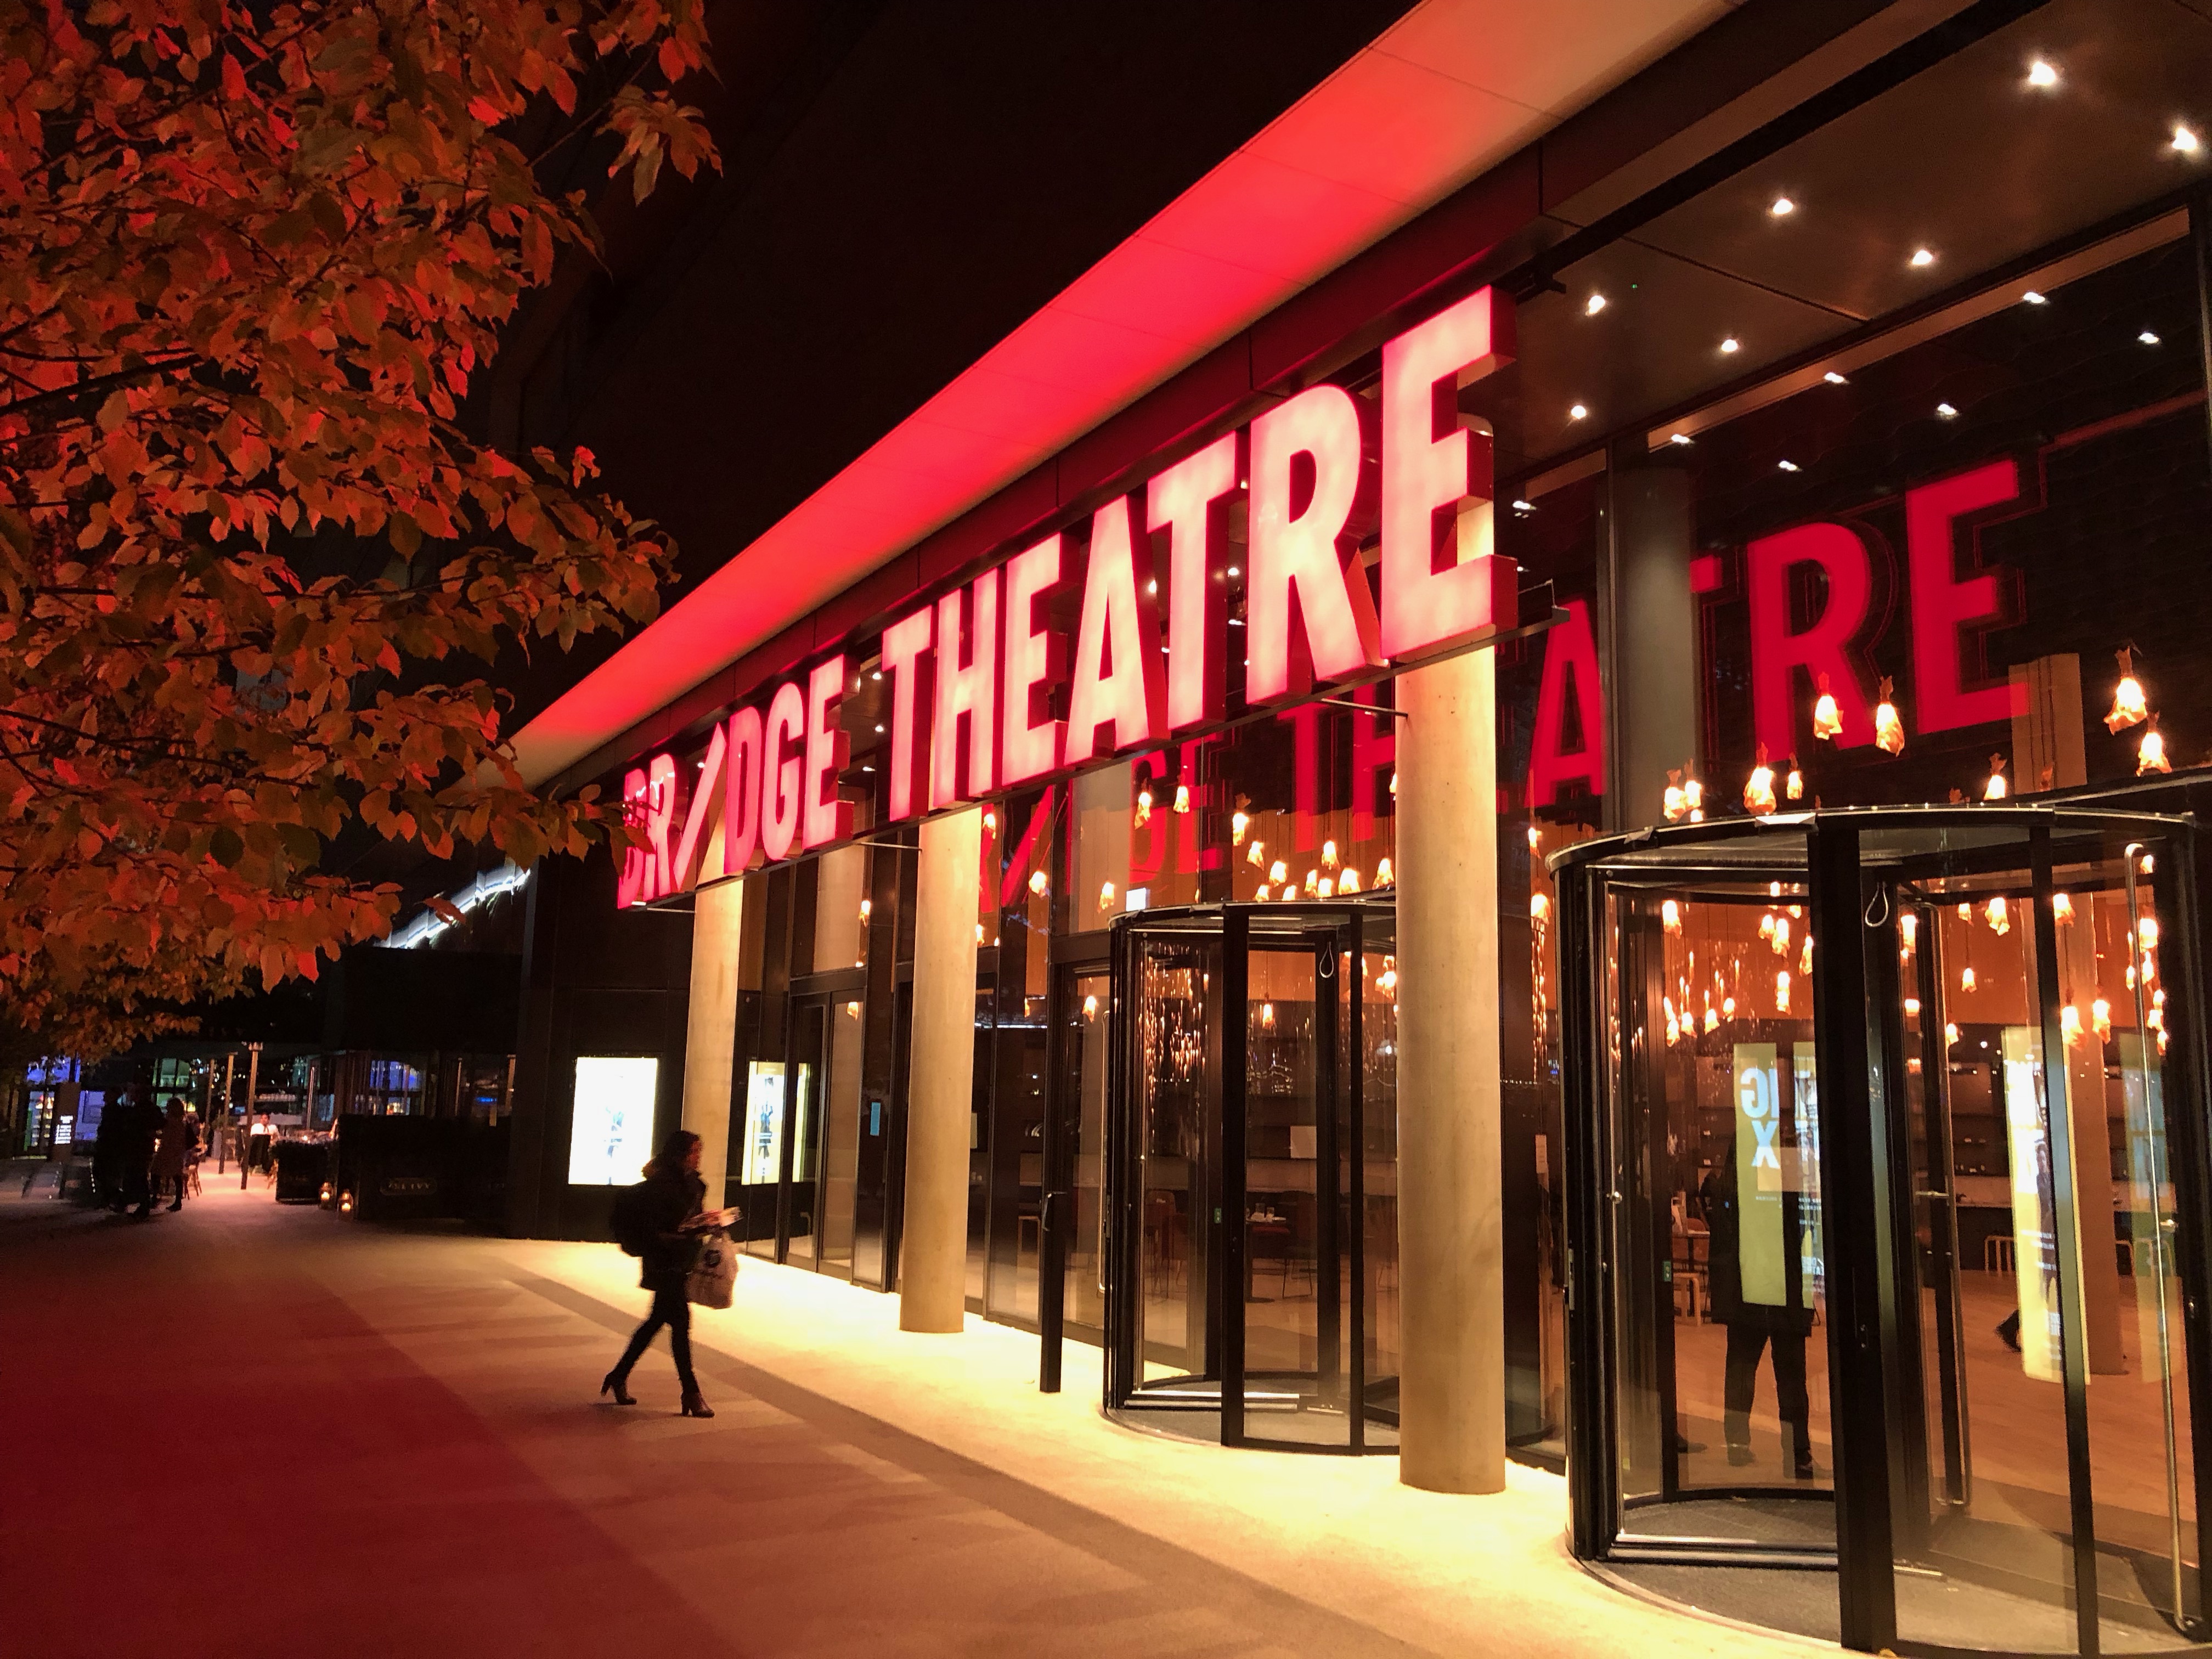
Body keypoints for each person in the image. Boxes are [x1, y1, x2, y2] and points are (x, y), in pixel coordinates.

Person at [1701, 1142, 1816, 1479]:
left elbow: (1722, 1238)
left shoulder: (1732, 1184)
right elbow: (1804, 1232)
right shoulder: (1787, 1180)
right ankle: (1798, 1452)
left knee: (1740, 1367)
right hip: (1785, 1287)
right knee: (1791, 1374)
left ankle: (1738, 1445)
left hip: (1747, 1288)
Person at [600, 1130, 730, 1417]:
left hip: (684, 1259)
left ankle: (618, 1375)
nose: (699, 1157)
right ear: (680, 1155)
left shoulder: (696, 1186)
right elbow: (652, 1228)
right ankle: (691, 1392)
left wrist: (708, 1224)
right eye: (695, 1151)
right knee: (681, 1324)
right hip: (663, 1259)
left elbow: (690, 1220)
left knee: (657, 1321)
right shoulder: (657, 1187)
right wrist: (672, 1236)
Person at [152, 1098, 194, 1212]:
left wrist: (155, 1135)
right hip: (177, 1152)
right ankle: (177, 1202)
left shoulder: (171, 1121)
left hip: (169, 1151)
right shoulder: (182, 1121)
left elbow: (169, 1136)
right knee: (176, 1176)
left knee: (157, 1172)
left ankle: (156, 1197)